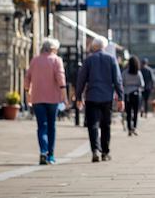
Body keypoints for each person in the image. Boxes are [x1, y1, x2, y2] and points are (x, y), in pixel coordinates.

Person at [76, 36, 124, 162]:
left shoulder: (89, 60)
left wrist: (78, 96)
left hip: (92, 97)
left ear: (94, 46)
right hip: (107, 97)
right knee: (106, 125)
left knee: (93, 125)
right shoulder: (111, 59)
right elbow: (117, 80)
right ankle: (105, 152)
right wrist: (121, 98)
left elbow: (81, 79)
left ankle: (95, 150)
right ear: (105, 46)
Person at [24, 37, 66, 165]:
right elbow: (61, 78)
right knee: (51, 126)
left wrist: (28, 93)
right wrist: (64, 96)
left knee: (41, 126)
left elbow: (27, 78)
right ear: (53, 49)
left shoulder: (35, 60)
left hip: (37, 98)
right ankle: (51, 155)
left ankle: (43, 151)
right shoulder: (56, 60)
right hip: (53, 98)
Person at [123, 56, 144, 135]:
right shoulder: (138, 73)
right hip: (136, 94)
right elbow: (142, 84)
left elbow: (122, 82)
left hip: (127, 94)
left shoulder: (125, 72)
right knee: (135, 112)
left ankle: (129, 129)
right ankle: (134, 127)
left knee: (128, 113)